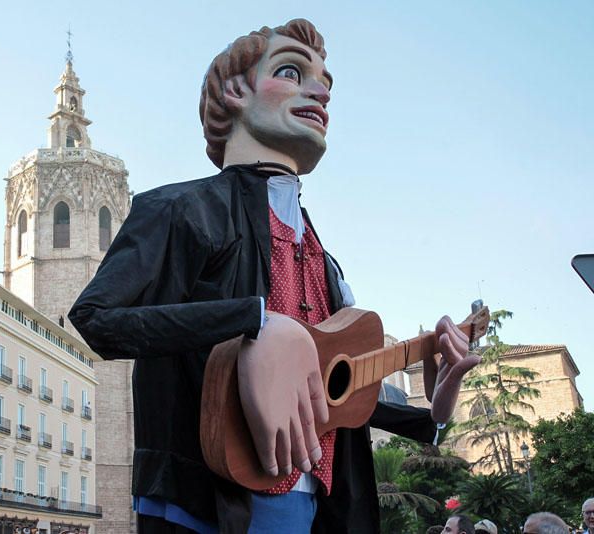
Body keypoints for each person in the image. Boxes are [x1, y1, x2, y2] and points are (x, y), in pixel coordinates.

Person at [69, 18, 479, 533]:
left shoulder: (326, 261)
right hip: (207, 502)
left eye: (326, 84)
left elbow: (333, 389)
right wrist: (256, 320)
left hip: (317, 508)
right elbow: (95, 318)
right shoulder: (180, 210)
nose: (320, 93)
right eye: (292, 72)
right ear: (237, 91)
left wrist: (438, 402)